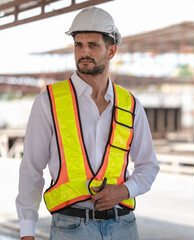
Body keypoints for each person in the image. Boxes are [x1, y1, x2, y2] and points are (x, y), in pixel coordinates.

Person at [16, 6, 159, 240]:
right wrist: (26, 232)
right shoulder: (48, 102)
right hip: (70, 227)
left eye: (93, 45)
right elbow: (31, 169)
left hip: (123, 225)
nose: (84, 52)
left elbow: (148, 165)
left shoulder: (131, 105)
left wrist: (124, 190)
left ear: (111, 51)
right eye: (78, 44)